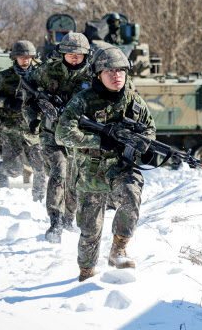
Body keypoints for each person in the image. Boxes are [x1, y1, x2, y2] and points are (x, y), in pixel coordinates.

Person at [55, 46, 156, 282]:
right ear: (98, 74)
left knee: (132, 195)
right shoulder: (83, 101)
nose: (116, 75)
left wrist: (145, 146)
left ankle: (119, 249)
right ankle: (86, 274)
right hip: (91, 171)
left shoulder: (134, 100)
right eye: (110, 71)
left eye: (120, 70)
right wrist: (98, 139)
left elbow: (150, 128)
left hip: (121, 167)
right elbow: (62, 134)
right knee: (90, 230)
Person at [23, 32, 91, 243]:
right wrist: (32, 116)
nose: (73, 57)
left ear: (85, 54)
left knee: (75, 178)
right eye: (69, 53)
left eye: (78, 54)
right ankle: (55, 220)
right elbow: (27, 90)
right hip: (52, 133)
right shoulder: (47, 71)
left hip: (81, 135)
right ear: (62, 53)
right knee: (59, 170)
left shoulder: (94, 75)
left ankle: (70, 217)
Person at [0, 40, 47, 201]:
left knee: (41, 166)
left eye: (29, 56)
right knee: (15, 170)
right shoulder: (4, 78)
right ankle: (2, 171)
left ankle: (38, 199)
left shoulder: (40, 75)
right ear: (15, 58)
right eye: (22, 56)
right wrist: (6, 102)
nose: (26, 60)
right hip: (9, 130)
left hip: (32, 128)